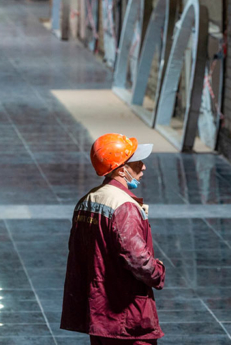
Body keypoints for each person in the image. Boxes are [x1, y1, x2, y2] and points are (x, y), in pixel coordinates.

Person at [61, 133, 165, 345]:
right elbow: (138, 260)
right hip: (126, 317)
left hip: (99, 313)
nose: (143, 167)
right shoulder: (124, 206)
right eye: (137, 162)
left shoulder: (86, 201)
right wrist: (158, 272)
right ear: (121, 169)